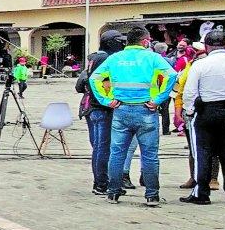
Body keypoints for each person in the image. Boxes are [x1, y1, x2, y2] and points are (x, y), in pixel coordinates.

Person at [89, 26, 178, 206]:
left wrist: (106, 100)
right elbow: (172, 75)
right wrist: (159, 99)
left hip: (120, 111)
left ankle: (113, 193)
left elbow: (94, 78)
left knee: (117, 153)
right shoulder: (153, 58)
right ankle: (152, 195)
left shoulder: (115, 58)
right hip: (147, 110)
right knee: (150, 155)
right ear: (145, 42)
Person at [180, 29, 225, 204]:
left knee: (202, 153)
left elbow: (190, 92)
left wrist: (189, 110)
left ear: (207, 46)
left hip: (206, 111)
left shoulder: (201, 64)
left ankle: (201, 193)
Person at [76, 29, 128, 196]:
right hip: (101, 108)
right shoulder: (104, 58)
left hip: (94, 107)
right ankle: (101, 184)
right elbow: (101, 83)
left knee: (100, 147)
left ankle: (103, 182)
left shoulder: (95, 57)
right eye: (120, 41)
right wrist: (109, 100)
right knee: (103, 148)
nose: (123, 44)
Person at [152, 42, 174, 136]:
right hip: (165, 87)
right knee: (165, 110)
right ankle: (165, 129)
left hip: (153, 87)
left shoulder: (151, 59)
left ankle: (154, 129)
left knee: (152, 108)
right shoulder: (169, 61)